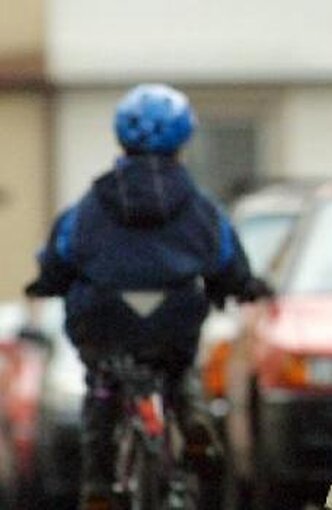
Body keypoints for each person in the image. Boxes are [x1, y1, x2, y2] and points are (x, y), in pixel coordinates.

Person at [25, 83, 272, 510]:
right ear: (184, 139)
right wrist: (243, 287)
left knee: (102, 383)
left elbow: (59, 258)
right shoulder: (202, 208)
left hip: (105, 320)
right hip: (173, 320)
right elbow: (227, 261)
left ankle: (99, 484)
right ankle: (190, 413)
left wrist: (46, 283)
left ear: (120, 137)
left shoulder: (88, 206)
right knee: (176, 370)